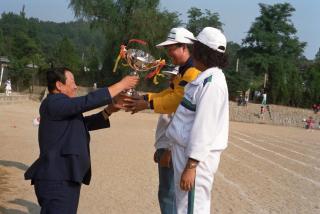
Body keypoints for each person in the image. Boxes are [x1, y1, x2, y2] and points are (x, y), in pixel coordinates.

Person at [24, 67, 138, 214]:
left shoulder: (61, 108)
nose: (76, 86)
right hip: (57, 179)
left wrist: (109, 110)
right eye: (72, 82)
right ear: (59, 85)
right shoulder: (53, 103)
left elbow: (81, 124)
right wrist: (121, 85)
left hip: (65, 176)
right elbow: (85, 102)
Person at [124, 27, 200, 214]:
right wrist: (145, 98)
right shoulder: (184, 71)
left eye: (172, 48)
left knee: (172, 196)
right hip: (176, 145)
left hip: (181, 147)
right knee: (169, 195)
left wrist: (148, 104)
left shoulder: (192, 73)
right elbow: (170, 93)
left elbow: (176, 101)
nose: (168, 53)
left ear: (183, 47)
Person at [166, 27, 229, 213]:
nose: (192, 53)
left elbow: (204, 129)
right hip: (184, 154)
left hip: (195, 161)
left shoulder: (212, 84)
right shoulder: (204, 79)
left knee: (192, 209)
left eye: (196, 48)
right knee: (183, 208)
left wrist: (191, 166)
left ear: (203, 52)